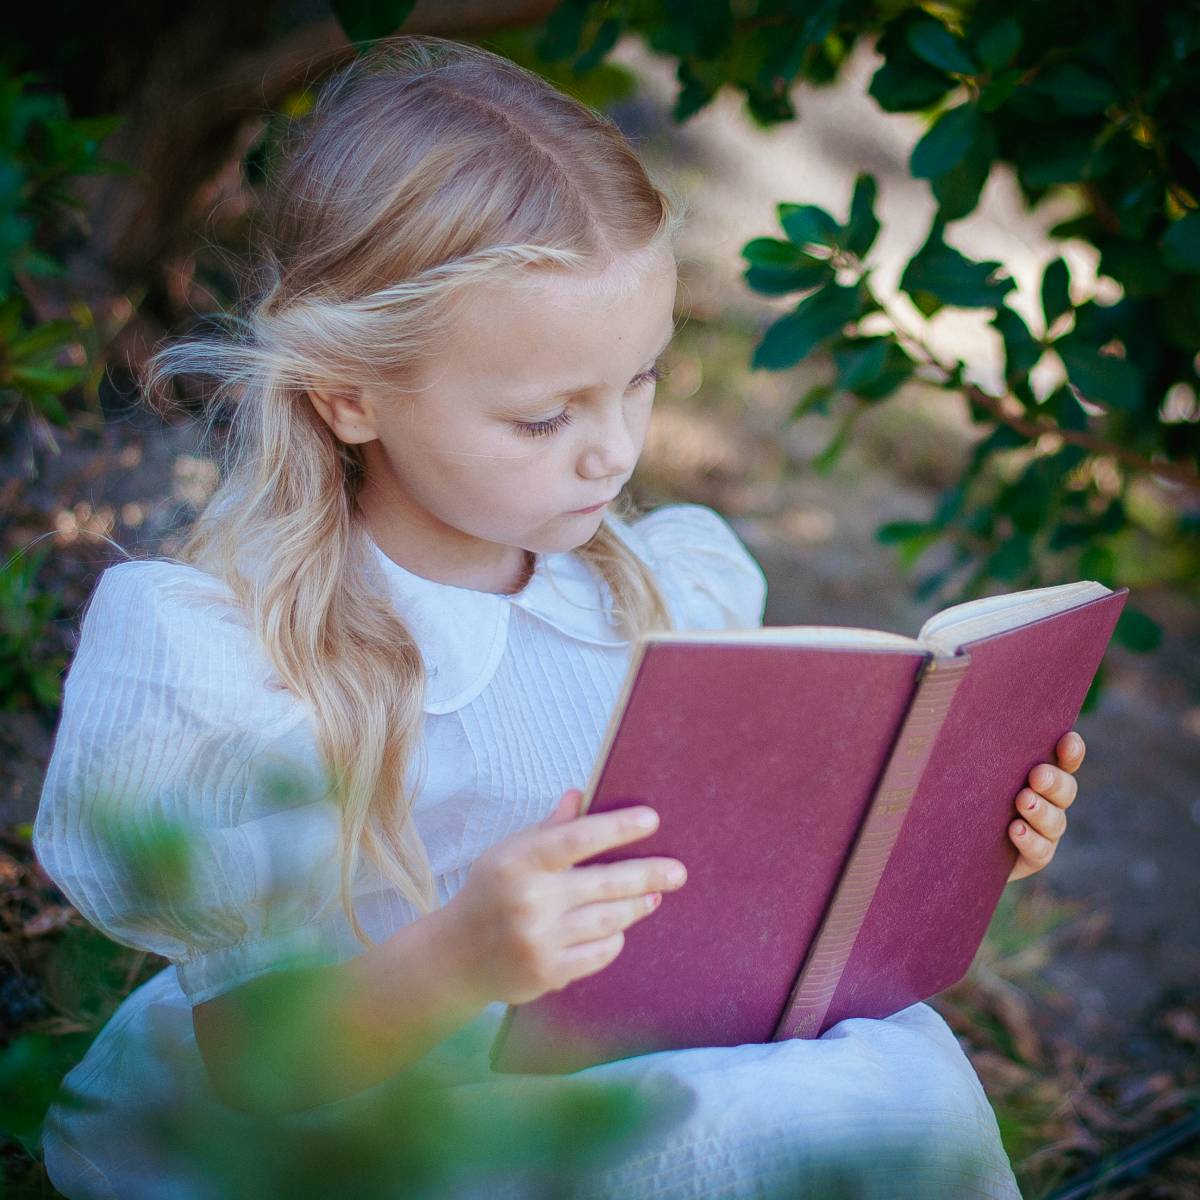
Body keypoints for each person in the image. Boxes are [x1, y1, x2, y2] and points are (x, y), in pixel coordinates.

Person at [32, 34, 1086, 1200]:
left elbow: (742, 908)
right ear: (350, 396)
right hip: (384, 1096)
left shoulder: (661, 592)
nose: (616, 450)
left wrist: (946, 837)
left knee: (898, 1084)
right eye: (544, 418)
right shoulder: (239, 660)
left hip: (642, 1047)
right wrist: (461, 956)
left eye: (642, 378)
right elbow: (262, 1068)